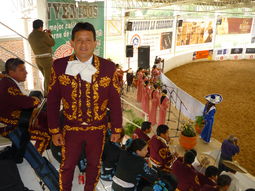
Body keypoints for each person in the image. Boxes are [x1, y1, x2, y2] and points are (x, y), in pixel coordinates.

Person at [47, 22, 122, 191]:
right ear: (72, 43)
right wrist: (54, 130)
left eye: (88, 40)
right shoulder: (58, 66)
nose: (84, 44)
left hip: (98, 128)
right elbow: (52, 101)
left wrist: (116, 129)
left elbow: (115, 102)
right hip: (70, 128)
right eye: (79, 40)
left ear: (95, 43)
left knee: (94, 165)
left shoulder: (109, 68)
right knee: (67, 166)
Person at [0, 58, 51, 154]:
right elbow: (25, 102)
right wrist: (36, 100)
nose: (26, 72)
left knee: (46, 120)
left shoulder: (8, 82)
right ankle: (37, 163)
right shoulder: (7, 85)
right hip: (9, 127)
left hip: (17, 121)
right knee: (45, 135)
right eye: (22, 70)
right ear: (11, 72)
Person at [28, 19, 55, 96]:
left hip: (38, 60)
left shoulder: (30, 36)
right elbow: (52, 43)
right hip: (46, 60)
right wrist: (49, 34)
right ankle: (48, 97)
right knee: (49, 79)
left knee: (46, 79)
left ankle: (46, 96)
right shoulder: (43, 34)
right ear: (41, 27)